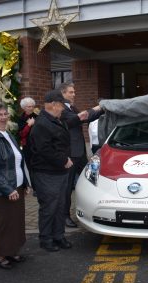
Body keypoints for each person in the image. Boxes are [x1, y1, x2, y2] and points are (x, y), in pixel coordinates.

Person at [0, 102, 30, 270]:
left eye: (5, 114)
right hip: (2, 190)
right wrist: (8, 189)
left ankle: (12, 250)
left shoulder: (8, 134)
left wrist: (25, 184)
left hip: (17, 186)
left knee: (16, 221)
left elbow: (18, 162)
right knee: (6, 222)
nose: (3, 117)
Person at [29, 89, 73, 252]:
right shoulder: (42, 123)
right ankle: (46, 239)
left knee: (60, 206)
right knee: (49, 207)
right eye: (61, 105)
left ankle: (58, 236)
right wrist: (63, 160)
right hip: (47, 173)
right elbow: (44, 150)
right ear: (53, 105)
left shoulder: (54, 120)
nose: (63, 108)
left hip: (59, 172)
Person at [59, 82, 103, 228]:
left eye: (74, 92)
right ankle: (64, 216)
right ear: (63, 93)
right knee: (67, 188)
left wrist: (102, 110)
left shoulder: (72, 108)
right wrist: (98, 107)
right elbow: (79, 118)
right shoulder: (61, 109)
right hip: (69, 155)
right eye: (70, 92)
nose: (74, 94)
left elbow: (87, 118)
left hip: (80, 153)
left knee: (90, 181)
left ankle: (93, 210)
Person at [18, 97, 37, 188]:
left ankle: (39, 185)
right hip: (27, 146)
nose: (31, 108)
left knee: (38, 166)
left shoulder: (37, 116)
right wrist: (29, 125)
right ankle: (34, 186)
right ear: (24, 107)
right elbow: (21, 134)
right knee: (30, 166)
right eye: (28, 106)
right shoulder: (21, 118)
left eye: (32, 106)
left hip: (37, 145)